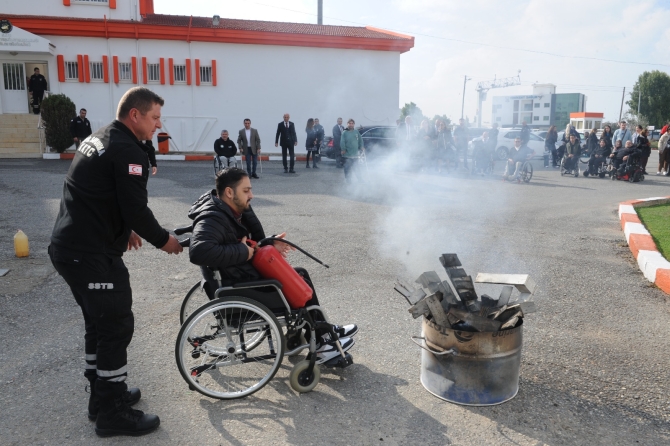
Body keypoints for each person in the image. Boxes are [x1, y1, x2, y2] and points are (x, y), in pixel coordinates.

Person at [48, 86, 183, 437]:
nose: (158, 125)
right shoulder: (127, 150)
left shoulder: (102, 135)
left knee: (99, 324)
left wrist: (122, 231)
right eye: (154, 117)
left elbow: (97, 191)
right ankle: (111, 412)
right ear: (135, 115)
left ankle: (102, 395)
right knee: (115, 325)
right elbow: (136, 208)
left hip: (73, 247)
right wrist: (164, 240)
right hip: (89, 254)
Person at [187, 167, 358, 361]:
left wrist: (269, 242)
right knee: (299, 279)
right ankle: (323, 343)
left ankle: (322, 331)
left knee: (300, 273)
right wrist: (244, 252)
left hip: (239, 276)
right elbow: (199, 251)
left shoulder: (226, 209)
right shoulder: (213, 218)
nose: (251, 195)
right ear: (229, 192)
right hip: (239, 288)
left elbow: (246, 239)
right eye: (246, 191)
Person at [340, 118, 364, 182]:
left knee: (356, 168)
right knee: (347, 168)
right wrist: (343, 149)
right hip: (347, 154)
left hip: (355, 154)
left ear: (354, 124)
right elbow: (342, 142)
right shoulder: (344, 133)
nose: (351, 125)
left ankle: (360, 180)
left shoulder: (356, 132)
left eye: (352, 123)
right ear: (347, 124)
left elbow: (360, 140)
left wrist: (361, 146)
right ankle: (348, 180)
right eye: (349, 123)